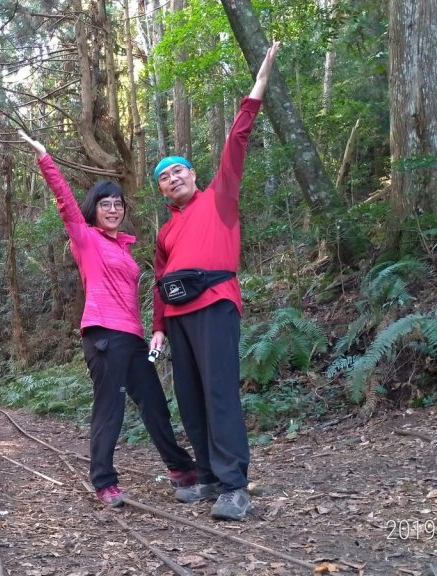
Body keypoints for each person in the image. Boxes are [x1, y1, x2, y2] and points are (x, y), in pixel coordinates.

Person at [19, 129, 197, 508]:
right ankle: (104, 481)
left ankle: (181, 469)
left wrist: (154, 331)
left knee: (153, 402)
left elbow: (137, 297)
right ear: (94, 209)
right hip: (102, 336)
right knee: (110, 407)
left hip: (132, 339)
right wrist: (45, 157)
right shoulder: (85, 239)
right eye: (105, 204)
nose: (113, 209)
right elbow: (65, 202)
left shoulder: (126, 248)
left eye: (118, 203)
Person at [149, 41, 281, 521]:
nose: (172, 178)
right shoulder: (165, 230)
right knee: (189, 396)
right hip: (178, 318)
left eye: (178, 170)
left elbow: (238, 138)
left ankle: (233, 486)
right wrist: (159, 327)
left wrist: (260, 80)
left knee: (220, 392)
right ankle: (206, 476)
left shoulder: (219, 197)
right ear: (161, 190)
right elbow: (160, 280)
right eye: (164, 177)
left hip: (216, 304)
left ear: (194, 174)